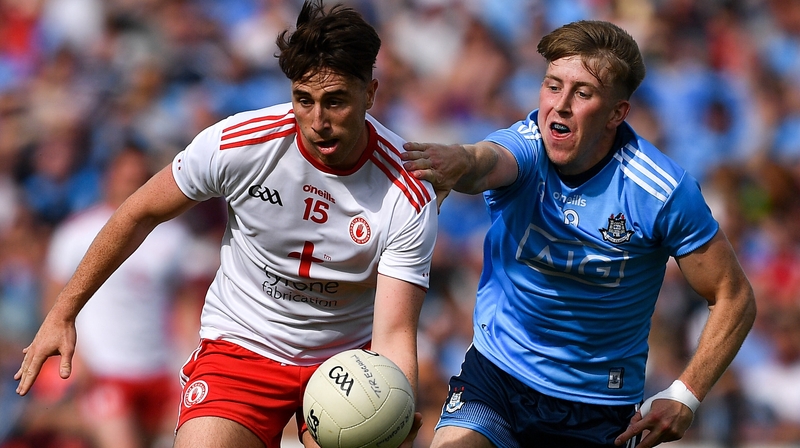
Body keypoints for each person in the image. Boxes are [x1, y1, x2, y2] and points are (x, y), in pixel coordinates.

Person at [14, 1, 438, 448]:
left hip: (343, 365)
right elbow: (139, 212)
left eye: (335, 102)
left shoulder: (408, 190)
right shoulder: (238, 144)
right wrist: (63, 312)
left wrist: (397, 411)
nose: (318, 122)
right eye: (303, 100)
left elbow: (393, 332)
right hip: (243, 344)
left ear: (369, 94)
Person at [401, 20, 756, 448]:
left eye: (582, 93)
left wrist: (686, 394)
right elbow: (485, 160)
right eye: (552, 86)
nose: (560, 105)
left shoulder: (660, 192)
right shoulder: (527, 146)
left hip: (598, 408)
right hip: (497, 377)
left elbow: (733, 295)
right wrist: (458, 158)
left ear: (616, 113)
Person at [40, 145, 196, 448]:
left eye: (140, 178)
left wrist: (188, 355)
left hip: (157, 368)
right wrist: (76, 358)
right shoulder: (77, 233)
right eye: (126, 177)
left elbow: (185, 302)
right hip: (104, 367)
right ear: (109, 178)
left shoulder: (173, 237)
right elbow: (52, 300)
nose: (132, 185)